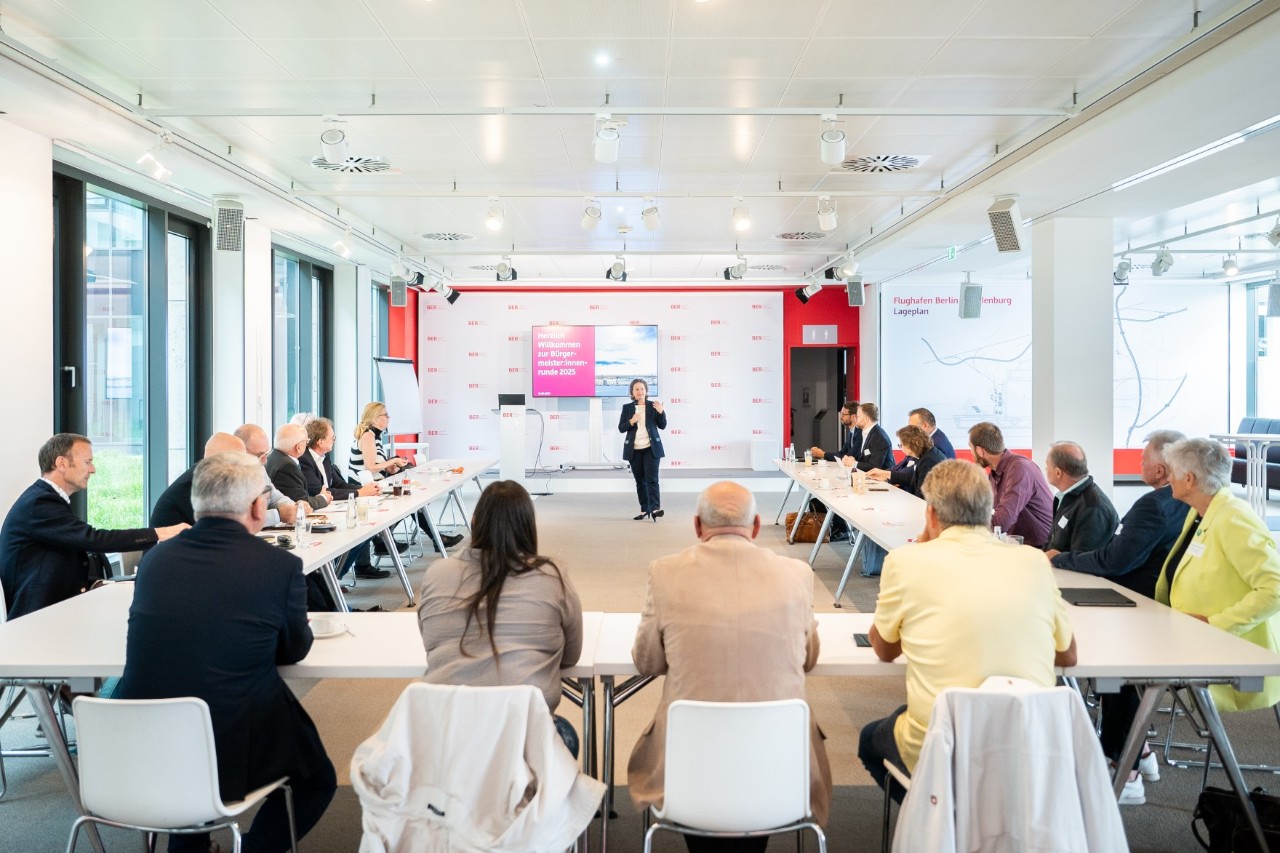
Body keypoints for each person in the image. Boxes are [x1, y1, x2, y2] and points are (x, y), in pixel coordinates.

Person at [114, 451, 336, 852]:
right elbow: (295, 648)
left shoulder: (156, 561)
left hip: (139, 741)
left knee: (187, 752)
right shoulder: (278, 566)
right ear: (257, 507)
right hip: (227, 742)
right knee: (317, 778)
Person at [628, 482, 832, 850]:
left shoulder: (664, 573)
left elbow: (647, 662)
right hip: (779, 770)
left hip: (690, 770)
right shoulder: (796, 575)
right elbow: (808, 659)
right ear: (756, 526)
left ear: (697, 526)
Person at [860, 460, 1076, 803]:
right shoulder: (1033, 562)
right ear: (988, 509)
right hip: (1027, 747)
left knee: (870, 739)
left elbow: (884, 650)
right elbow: (1067, 655)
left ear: (931, 514)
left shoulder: (906, 561)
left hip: (941, 744)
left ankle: (935, 814)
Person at [1048, 429, 1188, 804]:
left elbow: (1115, 560)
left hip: (1134, 608)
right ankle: (1139, 753)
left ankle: (1123, 771)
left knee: (1113, 673)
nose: (1138, 463)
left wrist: (1061, 560)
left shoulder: (1153, 505)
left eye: (1144, 458)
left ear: (1161, 469)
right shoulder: (1182, 505)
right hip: (1151, 609)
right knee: (1114, 676)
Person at [417, 480, 583, 755]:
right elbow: (571, 656)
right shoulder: (551, 576)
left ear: (474, 521)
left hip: (446, 735)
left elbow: (431, 643)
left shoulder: (437, 573)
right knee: (565, 734)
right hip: (522, 735)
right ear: (528, 527)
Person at [1, 433, 187, 620]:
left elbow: (58, 563)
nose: (93, 469)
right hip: (37, 617)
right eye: (88, 462)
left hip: (56, 608)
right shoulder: (40, 503)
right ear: (62, 463)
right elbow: (93, 539)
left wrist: (96, 584)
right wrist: (159, 533)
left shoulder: (45, 499)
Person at [1158, 438, 1280, 713]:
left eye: (1172, 472)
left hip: (1229, 644)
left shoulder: (1233, 517)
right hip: (1191, 636)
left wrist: (1214, 624)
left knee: (1131, 673)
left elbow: (1274, 589)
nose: (1169, 479)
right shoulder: (1200, 512)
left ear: (1189, 479)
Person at [350, 402, 462, 550]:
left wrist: (390, 468)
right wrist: (393, 461)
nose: (389, 418)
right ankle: (384, 537)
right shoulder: (368, 436)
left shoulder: (374, 437)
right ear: (375, 419)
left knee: (411, 500)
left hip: (377, 484)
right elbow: (370, 467)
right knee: (409, 502)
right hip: (366, 488)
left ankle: (386, 538)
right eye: (385, 415)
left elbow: (376, 465)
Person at [300, 417, 389, 581]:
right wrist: (360, 493)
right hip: (316, 513)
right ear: (320, 441)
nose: (334, 440)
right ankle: (329, 581)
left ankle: (334, 578)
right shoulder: (304, 460)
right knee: (356, 532)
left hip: (331, 508)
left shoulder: (324, 456)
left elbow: (338, 484)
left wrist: (365, 489)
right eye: (332, 437)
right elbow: (318, 491)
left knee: (366, 530)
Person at [967, 421, 1053, 547]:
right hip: (1019, 545)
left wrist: (966, 525)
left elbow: (1001, 522)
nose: (971, 453)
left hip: (1041, 549)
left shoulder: (1019, 469)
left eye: (971, 448)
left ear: (980, 451)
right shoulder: (995, 473)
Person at [150, 432, 247, 527]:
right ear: (221, 459)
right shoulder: (195, 484)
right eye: (240, 459)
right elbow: (219, 526)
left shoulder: (208, 477)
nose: (245, 465)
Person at [1042, 441, 1120, 554]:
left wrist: (1055, 558)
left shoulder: (1092, 508)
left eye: (1047, 465)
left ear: (1058, 473)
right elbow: (1053, 542)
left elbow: (1084, 559)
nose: (1045, 469)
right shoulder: (1065, 497)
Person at [619, 378, 667, 521]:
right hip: (634, 450)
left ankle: (655, 509)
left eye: (642, 389)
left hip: (651, 449)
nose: (640, 392)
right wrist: (631, 421)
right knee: (640, 482)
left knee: (652, 480)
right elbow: (621, 428)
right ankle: (644, 509)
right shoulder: (627, 408)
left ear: (646, 391)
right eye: (636, 389)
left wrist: (661, 412)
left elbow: (662, 425)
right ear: (632, 393)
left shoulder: (653, 406)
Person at [233, 424, 297, 527]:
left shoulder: (259, 468)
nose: (265, 461)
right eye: (259, 455)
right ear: (241, 451)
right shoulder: (228, 477)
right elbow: (239, 519)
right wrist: (278, 515)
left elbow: (275, 497)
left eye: (267, 453)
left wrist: (292, 507)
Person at [265, 423, 332, 512]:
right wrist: (323, 498)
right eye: (306, 442)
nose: (307, 445)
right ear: (298, 447)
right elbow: (301, 503)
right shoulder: (287, 466)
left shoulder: (273, 457)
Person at [869, 425, 947, 497]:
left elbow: (921, 493)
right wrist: (887, 475)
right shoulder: (927, 454)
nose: (901, 448)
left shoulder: (928, 460)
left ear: (911, 445)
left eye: (901, 445)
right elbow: (913, 478)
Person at [853, 402, 894, 472]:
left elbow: (875, 466)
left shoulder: (879, 437)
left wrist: (854, 464)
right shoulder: (867, 432)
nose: (855, 419)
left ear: (866, 419)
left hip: (882, 478)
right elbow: (865, 459)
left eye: (857, 417)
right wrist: (852, 460)